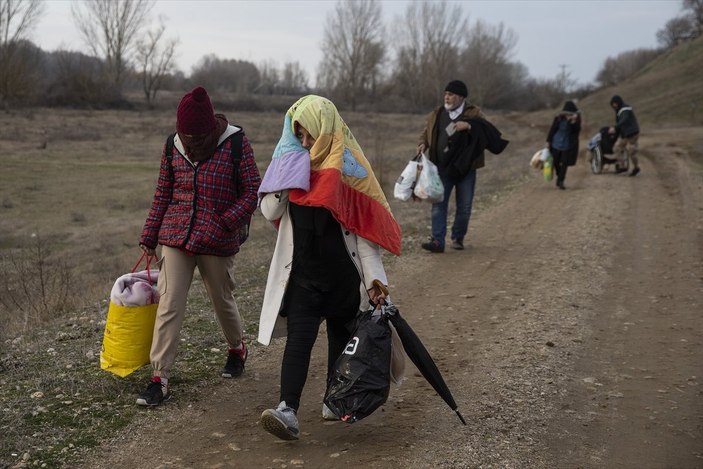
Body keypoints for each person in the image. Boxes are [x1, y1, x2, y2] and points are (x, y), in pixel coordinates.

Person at [256, 95, 402, 440]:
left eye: (309, 136)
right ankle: (287, 409)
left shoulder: (348, 170)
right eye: (300, 136)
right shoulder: (291, 163)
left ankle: (333, 399)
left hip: (342, 279)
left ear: (325, 131)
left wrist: (375, 282)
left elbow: (363, 233)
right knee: (298, 342)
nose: (305, 143)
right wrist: (286, 180)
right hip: (304, 278)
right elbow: (268, 212)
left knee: (341, 339)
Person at [137, 86, 261, 406]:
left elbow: (253, 191)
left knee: (222, 300)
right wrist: (150, 236)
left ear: (210, 128)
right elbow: (163, 193)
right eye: (185, 135)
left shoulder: (235, 142)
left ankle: (237, 348)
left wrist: (226, 221)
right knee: (169, 304)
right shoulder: (172, 145)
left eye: (197, 136)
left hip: (217, 238)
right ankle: (159, 378)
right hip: (176, 236)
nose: (190, 142)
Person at [417, 79, 508, 253]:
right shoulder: (437, 113)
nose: (447, 97)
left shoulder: (474, 113)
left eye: (450, 95)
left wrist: (469, 125)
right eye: (445, 94)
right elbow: (426, 131)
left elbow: (487, 131)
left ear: (460, 97)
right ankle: (437, 241)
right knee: (438, 204)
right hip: (441, 168)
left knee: (464, 206)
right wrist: (423, 143)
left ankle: (458, 237)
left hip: (466, 168)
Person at [546, 100, 581, 190]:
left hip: (567, 144)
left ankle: (560, 181)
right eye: (567, 114)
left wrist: (573, 122)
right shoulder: (558, 118)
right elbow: (552, 129)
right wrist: (548, 141)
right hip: (556, 143)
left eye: (570, 114)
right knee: (556, 162)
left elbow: (577, 131)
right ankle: (559, 174)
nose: (568, 115)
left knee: (564, 163)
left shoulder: (576, 119)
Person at [608, 95, 641, 177]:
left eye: (614, 104)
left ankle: (636, 168)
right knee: (616, 148)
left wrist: (615, 127)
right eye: (612, 104)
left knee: (631, 152)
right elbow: (621, 124)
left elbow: (624, 119)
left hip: (633, 133)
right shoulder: (619, 111)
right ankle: (622, 166)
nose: (613, 106)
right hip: (625, 134)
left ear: (617, 102)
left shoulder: (625, 109)